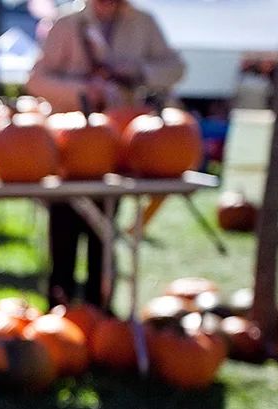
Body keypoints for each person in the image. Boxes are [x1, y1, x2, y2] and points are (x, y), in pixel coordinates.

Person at [27, 0, 184, 309]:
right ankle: (60, 304)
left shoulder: (143, 22)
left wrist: (138, 72)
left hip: (116, 145)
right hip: (69, 144)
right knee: (63, 228)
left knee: (103, 231)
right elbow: (37, 79)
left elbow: (176, 68)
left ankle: (100, 309)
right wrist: (84, 90)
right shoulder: (66, 23)